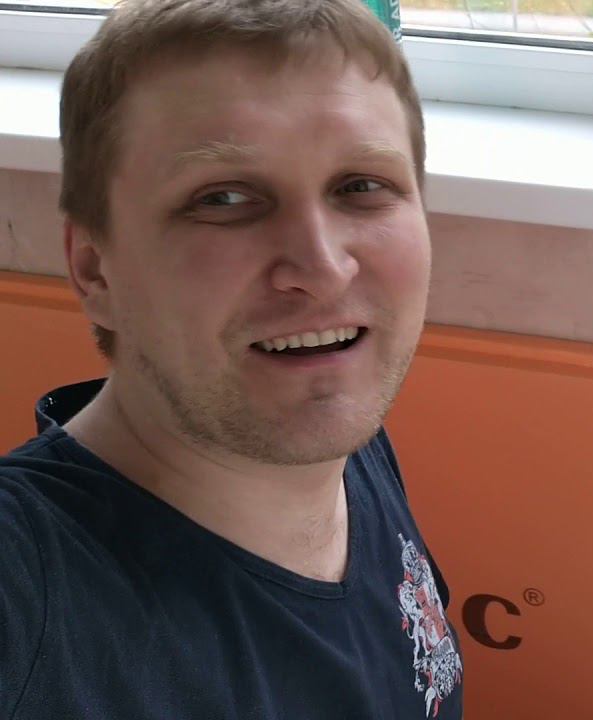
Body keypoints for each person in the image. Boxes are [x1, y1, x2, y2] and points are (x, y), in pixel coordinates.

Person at [0, 0, 463, 717]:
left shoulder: (346, 436)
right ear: (95, 271)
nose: (323, 268)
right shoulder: (28, 592)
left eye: (361, 186)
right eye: (222, 198)